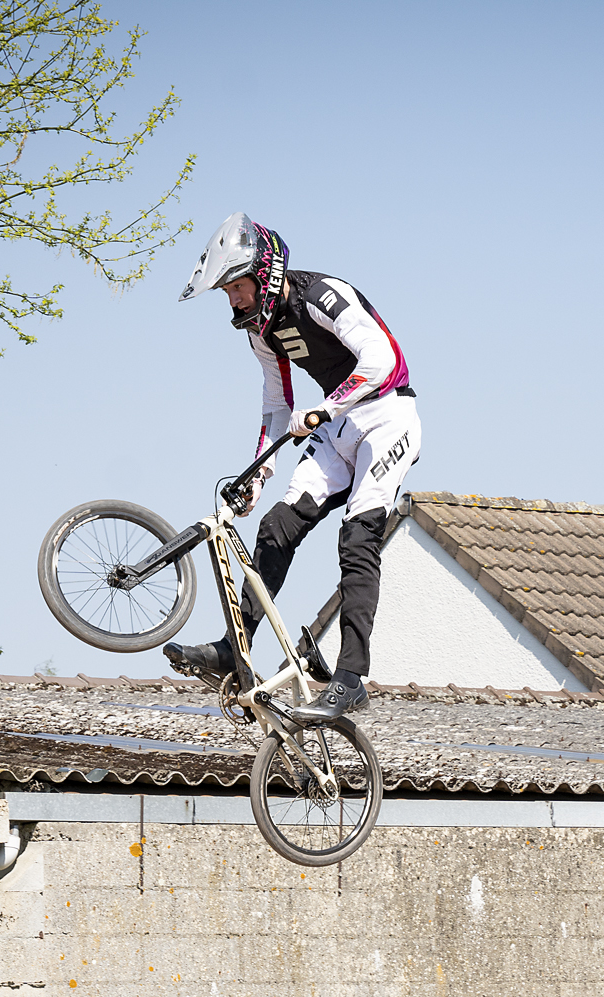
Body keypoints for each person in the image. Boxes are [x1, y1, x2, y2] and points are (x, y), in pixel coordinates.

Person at [165, 212, 420, 724]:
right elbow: (277, 403)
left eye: (235, 287)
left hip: (389, 415)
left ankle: (350, 678)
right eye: (225, 292)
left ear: (263, 275)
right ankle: (233, 650)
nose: (232, 300)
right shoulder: (261, 331)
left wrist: (327, 408)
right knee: (276, 527)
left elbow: (382, 358)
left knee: (356, 539)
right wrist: (258, 473)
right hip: (338, 426)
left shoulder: (321, 294)